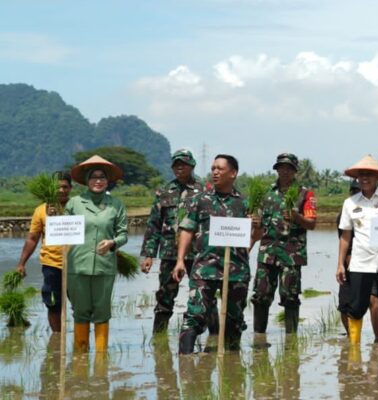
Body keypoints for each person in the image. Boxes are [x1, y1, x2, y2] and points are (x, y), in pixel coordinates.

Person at [173, 153, 258, 354]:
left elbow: (256, 234)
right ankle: (185, 365)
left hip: (235, 270)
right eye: (213, 169)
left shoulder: (244, 204)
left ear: (233, 173)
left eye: (220, 168)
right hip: (205, 268)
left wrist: (254, 233)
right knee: (195, 315)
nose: (215, 172)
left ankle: (231, 367)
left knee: (234, 319)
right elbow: (187, 230)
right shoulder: (200, 200)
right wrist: (179, 260)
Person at [336, 155, 378, 344]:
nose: (365, 178)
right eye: (362, 175)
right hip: (360, 263)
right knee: (356, 306)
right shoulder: (350, 203)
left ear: (377, 177)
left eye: (369, 175)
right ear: (357, 178)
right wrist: (340, 264)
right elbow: (345, 236)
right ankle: (354, 348)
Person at [251, 152, 317, 336]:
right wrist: (254, 222)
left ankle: (291, 340)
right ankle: (259, 336)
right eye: (281, 168)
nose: (285, 171)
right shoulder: (266, 193)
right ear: (277, 169)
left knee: (290, 296)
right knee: (261, 295)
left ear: (295, 171)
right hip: (267, 253)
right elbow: (258, 225)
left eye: (289, 168)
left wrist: (296, 217)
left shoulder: (305, 194)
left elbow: (312, 224)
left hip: (291, 254)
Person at [65, 155, 128, 351]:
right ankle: (80, 359)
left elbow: (123, 234)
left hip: (104, 267)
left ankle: (101, 364)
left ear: (108, 180)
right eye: (94, 177)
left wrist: (112, 242)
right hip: (78, 266)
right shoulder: (74, 203)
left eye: (102, 177)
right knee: (80, 312)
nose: (98, 181)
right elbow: (63, 231)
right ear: (86, 180)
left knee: (102, 312)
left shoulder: (115, 205)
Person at [139, 148, 202, 334]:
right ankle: (158, 339)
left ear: (192, 166)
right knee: (165, 296)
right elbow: (154, 225)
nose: (179, 168)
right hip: (169, 253)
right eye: (176, 165)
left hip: (197, 253)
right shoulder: (164, 192)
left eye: (183, 164)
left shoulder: (204, 191)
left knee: (201, 295)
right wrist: (149, 255)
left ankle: (207, 335)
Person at [15, 170, 73, 332]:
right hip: (51, 264)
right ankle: (56, 339)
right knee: (53, 303)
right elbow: (33, 238)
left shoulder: (78, 206)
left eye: (65, 187)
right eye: (57, 187)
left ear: (71, 188)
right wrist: (21, 263)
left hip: (76, 264)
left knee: (81, 305)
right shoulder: (41, 210)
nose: (61, 190)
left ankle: (80, 341)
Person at [337, 178, 362, 335]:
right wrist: (342, 263)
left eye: (359, 191)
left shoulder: (375, 210)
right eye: (353, 191)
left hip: (370, 262)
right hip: (350, 262)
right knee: (345, 303)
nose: (356, 194)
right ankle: (350, 335)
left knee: (373, 301)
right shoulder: (345, 213)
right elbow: (344, 240)